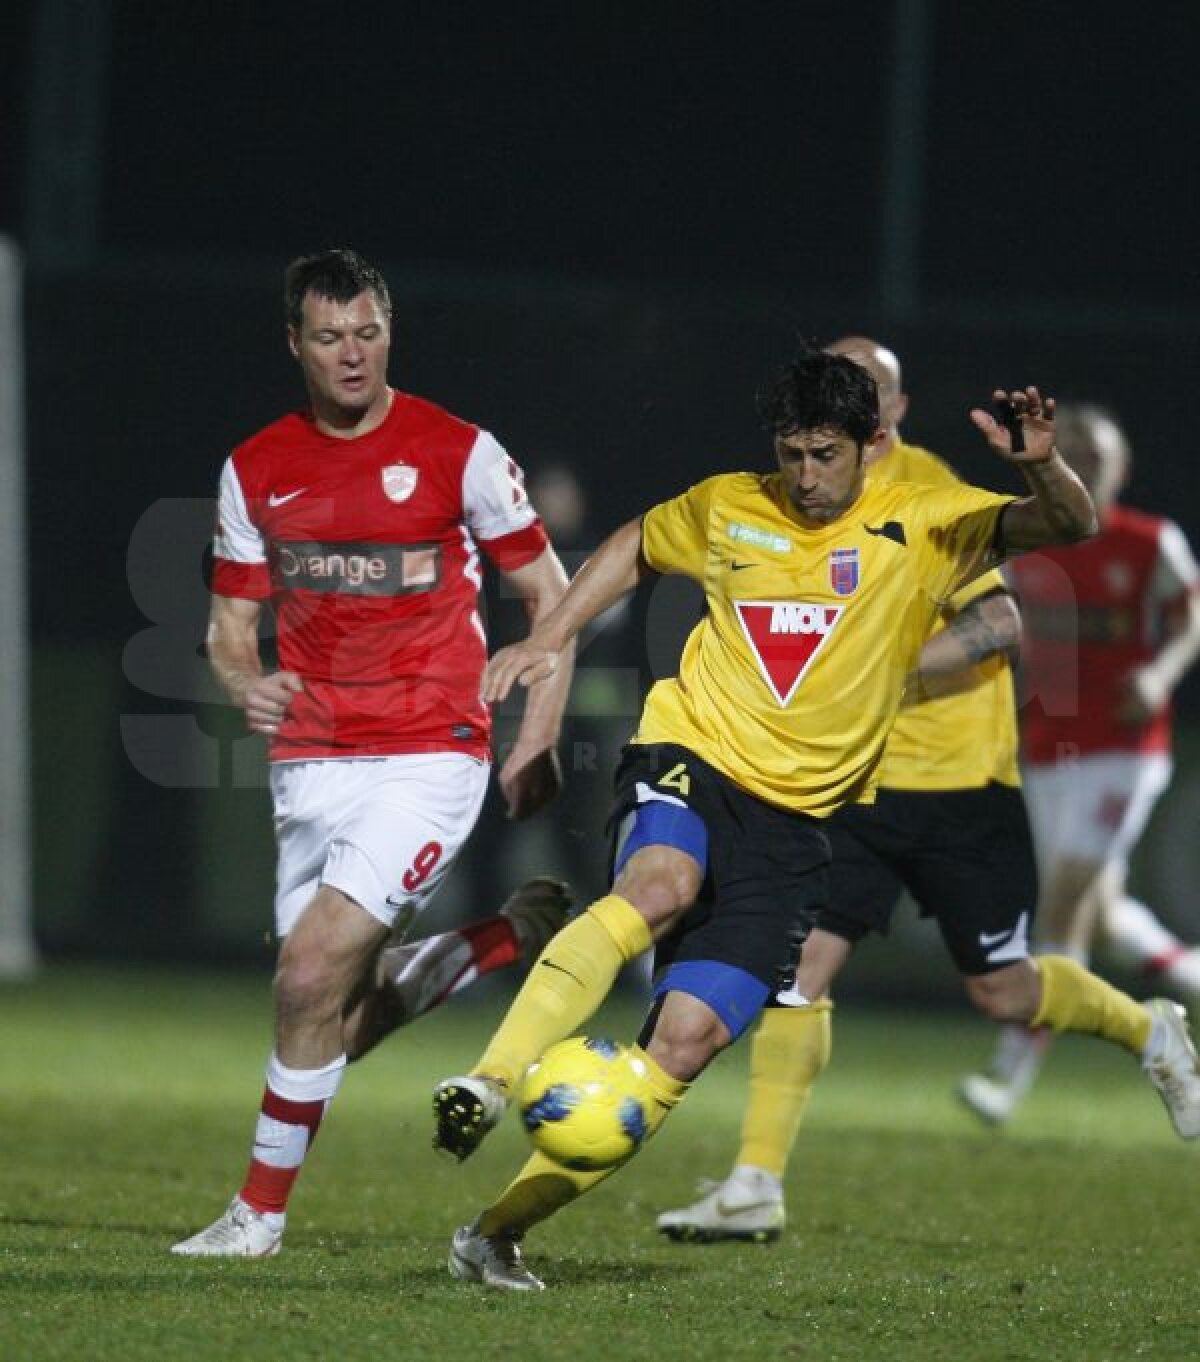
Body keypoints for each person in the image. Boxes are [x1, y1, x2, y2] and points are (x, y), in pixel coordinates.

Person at [431, 346, 1195, 1293]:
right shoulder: (730, 503)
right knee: (661, 886)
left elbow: (1064, 527)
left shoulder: (927, 516)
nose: (803, 477)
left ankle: (493, 1235)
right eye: (790, 454)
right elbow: (635, 539)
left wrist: (1040, 463)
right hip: (692, 756)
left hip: (817, 820)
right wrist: (549, 638)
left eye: (823, 455)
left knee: (686, 1046)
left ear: (874, 440)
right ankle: (492, 1079)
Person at [171, 248, 574, 1258]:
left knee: (310, 973)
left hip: (431, 749)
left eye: (369, 332)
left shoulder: (458, 451)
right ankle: (482, 948)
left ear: (389, 329)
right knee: (327, 1016)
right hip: (310, 758)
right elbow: (229, 627)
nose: (353, 355)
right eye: (329, 337)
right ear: (294, 345)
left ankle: (255, 1220)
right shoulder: (254, 467)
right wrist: (240, 678)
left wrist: (538, 735)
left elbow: (553, 601)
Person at [654, 334, 1031, 1241]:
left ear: (890, 414)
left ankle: (1146, 1030)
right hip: (857, 783)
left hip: (955, 777)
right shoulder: (796, 500)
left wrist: (886, 674)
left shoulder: (929, 496)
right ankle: (755, 1181)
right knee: (800, 969)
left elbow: (1003, 621)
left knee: (1004, 994)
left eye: (866, 394)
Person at [959, 403, 1200, 1125]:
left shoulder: (1150, 541)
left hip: (1126, 756)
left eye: (1100, 457)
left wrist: (1159, 676)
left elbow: (1191, 616)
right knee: (1103, 910)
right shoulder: (1026, 540)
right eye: (1076, 456)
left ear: (1121, 467)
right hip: (1046, 750)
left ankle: (1009, 1072)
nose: (1088, 469)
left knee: (1062, 900)